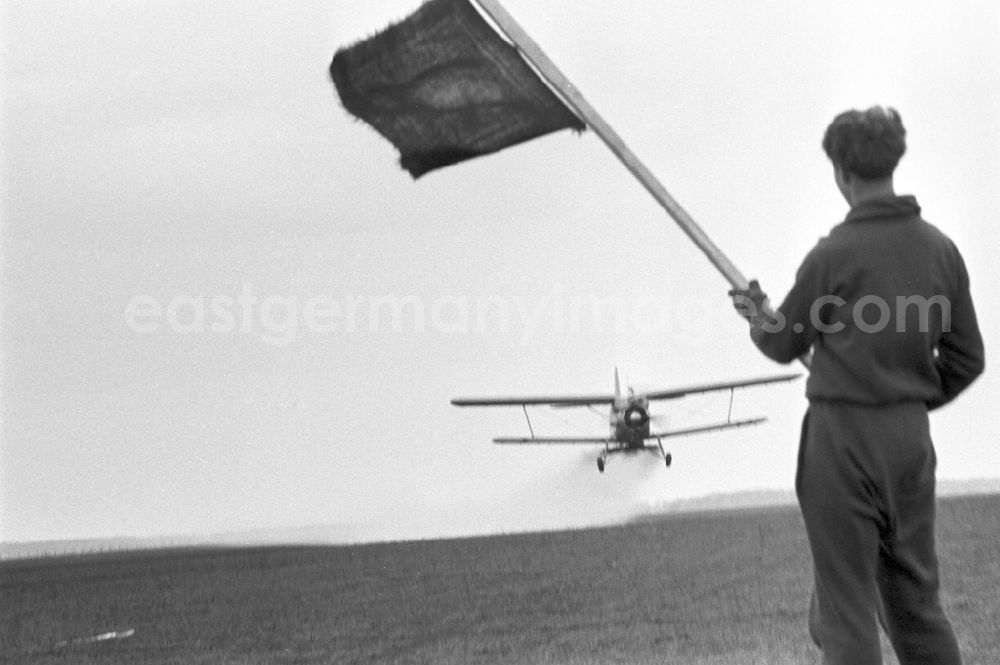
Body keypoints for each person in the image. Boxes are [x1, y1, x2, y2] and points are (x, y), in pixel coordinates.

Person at [729, 106, 984, 665]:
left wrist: (754, 309)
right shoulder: (942, 251)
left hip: (842, 441)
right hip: (910, 440)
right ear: (894, 161)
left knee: (846, 617)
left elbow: (781, 343)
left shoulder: (831, 257)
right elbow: (968, 359)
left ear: (841, 171)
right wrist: (906, 393)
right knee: (918, 608)